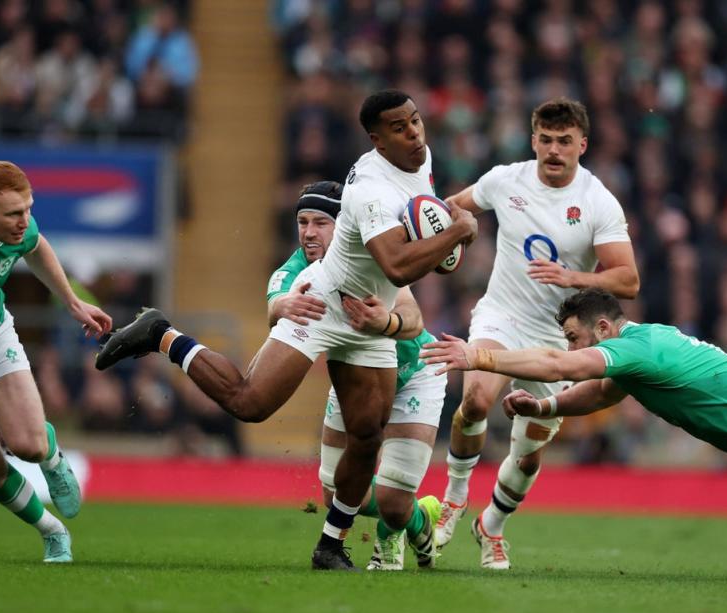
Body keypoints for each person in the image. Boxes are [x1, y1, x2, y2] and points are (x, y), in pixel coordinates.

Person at [95, 89, 478, 571]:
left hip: (370, 316)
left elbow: (415, 247)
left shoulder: (417, 162)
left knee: (367, 433)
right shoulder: (371, 190)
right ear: (377, 140)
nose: (415, 132)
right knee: (251, 404)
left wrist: (444, 233)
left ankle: (330, 546)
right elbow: (398, 267)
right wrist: (457, 234)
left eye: (416, 120)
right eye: (400, 127)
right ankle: (161, 334)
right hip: (324, 303)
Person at [422, 288, 727, 583]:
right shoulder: (642, 347)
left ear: (603, 327)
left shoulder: (637, 347)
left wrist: (478, 357)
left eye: (573, 336)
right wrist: (546, 405)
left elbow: (556, 365)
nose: (569, 347)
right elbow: (602, 393)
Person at [434, 97, 639, 569]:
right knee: (476, 400)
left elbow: (628, 279)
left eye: (564, 141)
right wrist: (452, 233)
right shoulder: (505, 180)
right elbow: (453, 210)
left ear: (581, 145)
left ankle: (492, 527)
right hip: (501, 315)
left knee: (528, 453)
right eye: (545, 140)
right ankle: (454, 495)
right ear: (533, 141)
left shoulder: (596, 201)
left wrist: (577, 278)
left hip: (557, 338)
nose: (554, 149)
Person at [266, 180, 447, 570]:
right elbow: (274, 306)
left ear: (344, 224)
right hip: (357, 381)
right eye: (303, 222)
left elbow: (414, 320)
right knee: (336, 495)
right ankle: (421, 517)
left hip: (415, 372)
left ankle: (396, 527)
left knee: (393, 502)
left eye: (321, 223)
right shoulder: (294, 268)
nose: (309, 233)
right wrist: (284, 306)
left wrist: (387, 321)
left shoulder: (372, 253)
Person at [0, 159, 112, 562]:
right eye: (15, 213)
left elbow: (36, 247)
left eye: (28, 209)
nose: (24, 220)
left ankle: (51, 457)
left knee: (27, 446)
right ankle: (52, 532)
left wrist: (72, 302)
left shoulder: (19, 229)